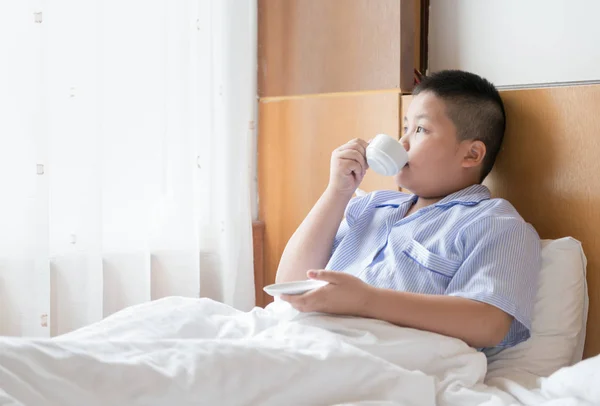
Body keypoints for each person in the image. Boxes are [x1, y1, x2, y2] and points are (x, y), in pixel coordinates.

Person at [275, 70, 541, 352]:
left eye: (421, 130)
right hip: (299, 337)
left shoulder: (494, 223)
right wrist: (336, 192)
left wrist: (367, 300)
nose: (401, 143)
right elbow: (289, 283)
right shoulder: (372, 207)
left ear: (471, 155)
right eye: (405, 128)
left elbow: (489, 324)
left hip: (370, 354)